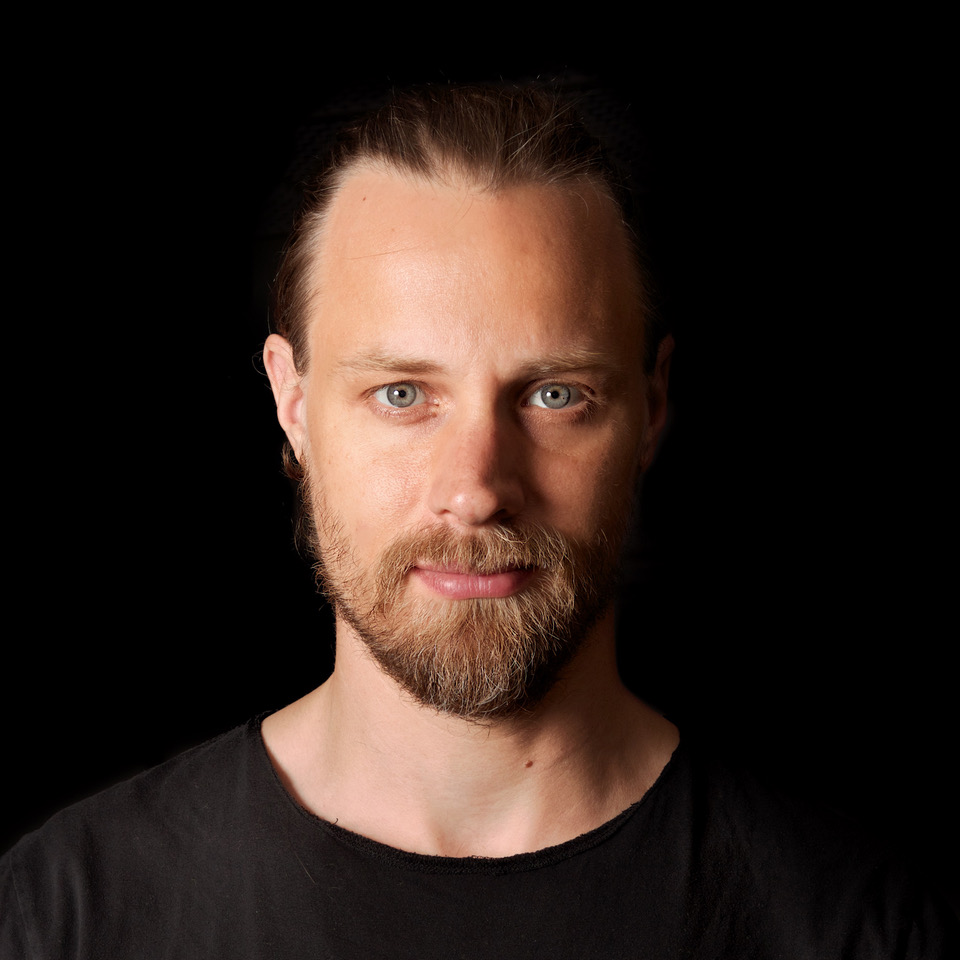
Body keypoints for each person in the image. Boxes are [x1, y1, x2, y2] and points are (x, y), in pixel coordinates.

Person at [2, 83, 955, 959]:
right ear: (291, 404)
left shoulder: (854, 925)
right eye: (402, 393)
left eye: (554, 394)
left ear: (652, 406)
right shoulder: (63, 914)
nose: (476, 490)